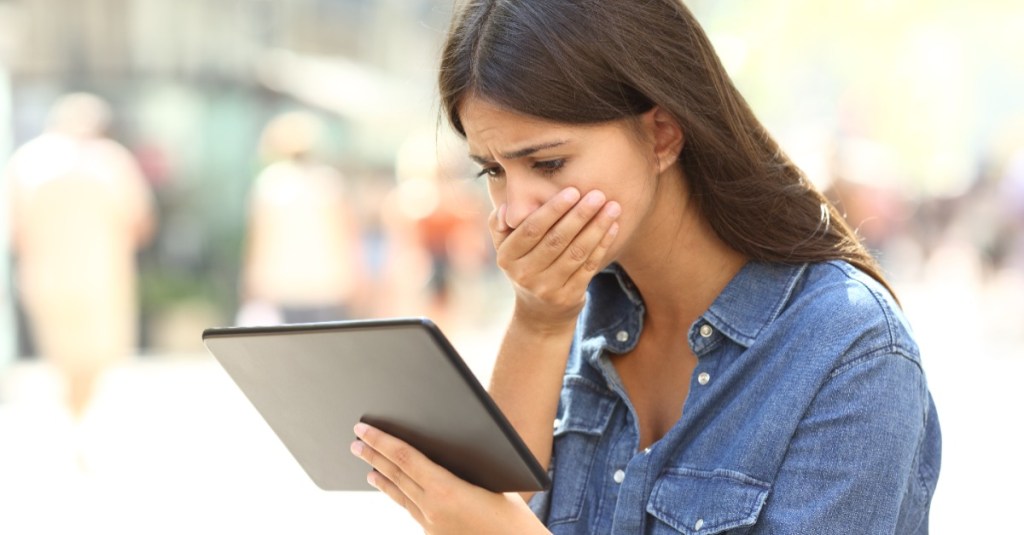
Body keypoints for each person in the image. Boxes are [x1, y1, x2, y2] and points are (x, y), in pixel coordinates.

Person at [349, 1, 941, 533]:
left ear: (660, 135)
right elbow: (488, 510)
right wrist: (538, 322)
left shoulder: (850, 351)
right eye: (493, 171)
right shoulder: (577, 312)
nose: (513, 211)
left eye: (549, 164)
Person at [5, 92, 156, 420]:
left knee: (63, 358)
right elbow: (141, 222)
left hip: (47, 277)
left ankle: (74, 420)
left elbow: (15, 230)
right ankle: (78, 420)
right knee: (97, 356)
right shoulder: (111, 160)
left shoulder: (28, 159)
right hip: (101, 276)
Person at [237, 111, 367, 325]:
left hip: (282, 285)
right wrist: (357, 278)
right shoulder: (329, 183)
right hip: (327, 285)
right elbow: (348, 234)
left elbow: (257, 239)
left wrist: (250, 279)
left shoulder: (269, 185)